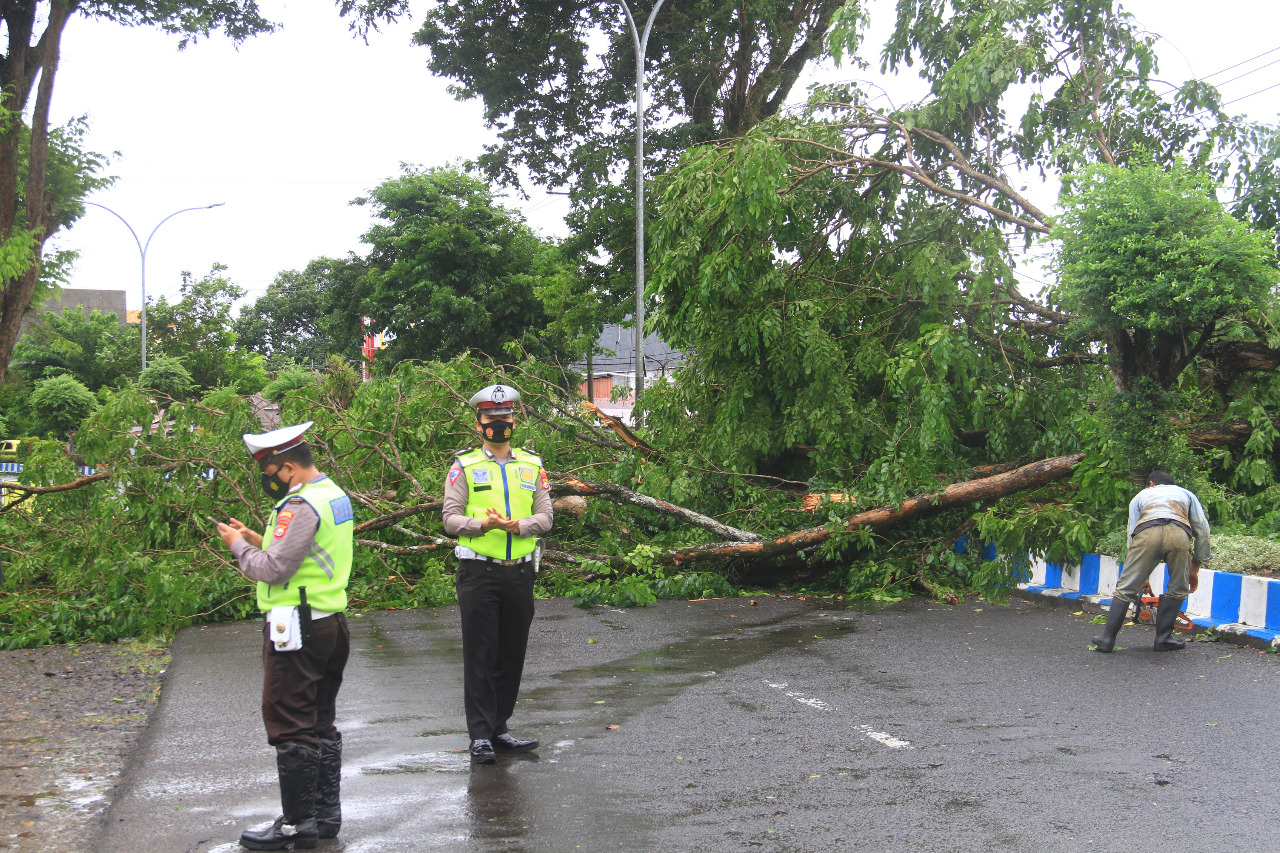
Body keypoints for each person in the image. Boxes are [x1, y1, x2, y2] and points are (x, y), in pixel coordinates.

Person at [215, 421, 354, 849]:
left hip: (297, 626)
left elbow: (273, 569)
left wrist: (238, 546)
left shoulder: (300, 505)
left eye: (270, 474)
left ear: (289, 467)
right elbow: (311, 551)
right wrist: (258, 537)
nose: (267, 483)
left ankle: (297, 825)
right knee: (319, 720)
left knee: (289, 722)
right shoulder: (333, 494)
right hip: (330, 621)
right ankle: (324, 816)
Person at [442, 383, 553, 764]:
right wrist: (483, 525)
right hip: (479, 573)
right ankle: (479, 735)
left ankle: (500, 728)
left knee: (512, 653)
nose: (500, 424)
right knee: (481, 654)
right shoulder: (464, 466)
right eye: (492, 418)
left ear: (515, 419)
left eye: (505, 417)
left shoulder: (532, 465)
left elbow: (546, 517)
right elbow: (450, 518)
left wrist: (518, 526)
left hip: (520, 573)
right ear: (479, 424)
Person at [1093, 470, 1211, 653]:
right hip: (1179, 533)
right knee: (1178, 588)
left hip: (1147, 533)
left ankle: (1107, 639)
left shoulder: (1141, 496)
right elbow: (1202, 529)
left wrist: (1141, 576)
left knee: (1126, 588)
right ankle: (1163, 639)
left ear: (1150, 484)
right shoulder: (1186, 494)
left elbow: (1132, 533)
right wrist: (1195, 567)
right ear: (1173, 484)